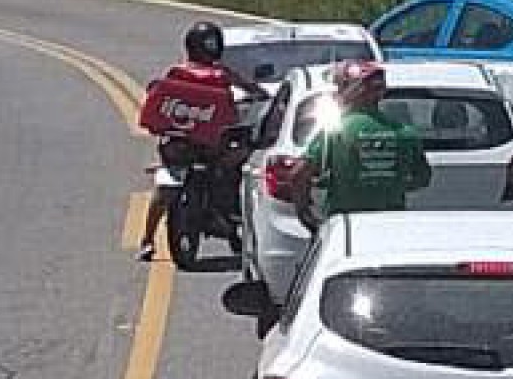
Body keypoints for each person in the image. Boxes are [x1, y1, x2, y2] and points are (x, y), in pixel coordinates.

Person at [137, 20, 263, 261]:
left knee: (164, 186)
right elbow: (247, 90)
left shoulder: (177, 72)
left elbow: (159, 98)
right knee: (238, 162)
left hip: (178, 145)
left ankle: (147, 240)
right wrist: (259, 95)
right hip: (206, 146)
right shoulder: (219, 74)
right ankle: (238, 220)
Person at [293, 59, 432, 228]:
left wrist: (305, 213)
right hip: (392, 223)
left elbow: (299, 174)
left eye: (340, 87)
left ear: (352, 90)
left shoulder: (335, 131)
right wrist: (389, 184)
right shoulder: (405, 132)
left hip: (345, 225)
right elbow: (423, 178)